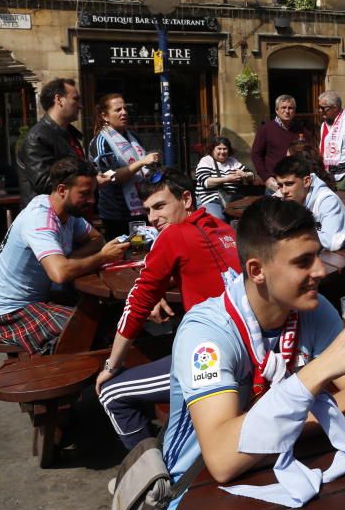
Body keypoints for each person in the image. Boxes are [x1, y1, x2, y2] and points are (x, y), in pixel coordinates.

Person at [161, 198, 345, 510]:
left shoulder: (313, 308)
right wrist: (317, 374)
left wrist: (283, 427)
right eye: (303, 261)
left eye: (318, 255)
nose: (321, 270)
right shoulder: (206, 333)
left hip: (282, 475)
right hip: (195, 497)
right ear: (257, 271)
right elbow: (222, 459)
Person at [96, 167, 242, 449]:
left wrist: (111, 366)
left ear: (186, 200)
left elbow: (136, 304)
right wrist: (162, 288)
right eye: (148, 210)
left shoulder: (172, 236)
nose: (152, 218)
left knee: (112, 393)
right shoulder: (223, 228)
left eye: (160, 206)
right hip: (246, 345)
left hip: (214, 357)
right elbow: (208, 268)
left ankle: (151, 480)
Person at [0, 158, 129, 355]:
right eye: (84, 194)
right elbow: (59, 273)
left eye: (93, 193)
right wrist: (102, 257)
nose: (92, 200)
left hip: (37, 301)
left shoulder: (68, 212)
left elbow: (96, 239)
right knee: (90, 329)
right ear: (61, 190)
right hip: (7, 313)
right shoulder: (41, 218)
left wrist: (71, 258)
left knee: (112, 316)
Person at [88, 94, 161, 239]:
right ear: (105, 116)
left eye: (125, 108)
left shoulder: (133, 136)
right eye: (118, 110)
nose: (124, 112)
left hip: (141, 207)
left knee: (143, 251)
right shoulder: (101, 142)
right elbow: (109, 176)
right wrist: (141, 162)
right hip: (117, 213)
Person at [17, 78, 86, 207]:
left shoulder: (69, 134)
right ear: (59, 99)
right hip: (47, 217)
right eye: (75, 99)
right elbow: (45, 183)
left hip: (72, 213)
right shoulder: (37, 137)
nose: (80, 105)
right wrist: (87, 182)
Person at [274, 155, 345, 259]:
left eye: (289, 184)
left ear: (307, 181)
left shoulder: (327, 200)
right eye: (280, 185)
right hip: (314, 259)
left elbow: (333, 242)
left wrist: (297, 234)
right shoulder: (286, 195)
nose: (284, 191)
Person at [251, 95, 312, 194]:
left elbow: (309, 153)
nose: (287, 111)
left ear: (294, 111)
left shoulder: (301, 130)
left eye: (290, 108)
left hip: (296, 183)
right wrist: (266, 178)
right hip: (275, 183)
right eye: (283, 108)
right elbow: (256, 154)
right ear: (276, 110)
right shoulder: (266, 129)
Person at [195, 136, 254, 220]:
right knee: (218, 219)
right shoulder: (206, 161)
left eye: (225, 149)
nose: (222, 152)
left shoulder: (233, 162)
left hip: (233, 200)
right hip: (210, 199)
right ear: (213, 149)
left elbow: (252, 174)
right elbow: (206, 182)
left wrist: (245, 174)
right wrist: (227, 179)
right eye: (219, 148)